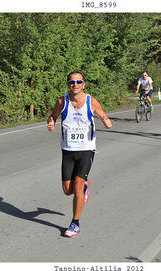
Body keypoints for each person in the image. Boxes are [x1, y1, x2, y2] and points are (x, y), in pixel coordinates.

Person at [47, 71, 112, 237]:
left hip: (86, 149)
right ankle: (84, 188)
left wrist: (106, 121)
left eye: (78, 82)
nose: (75, 84)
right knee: (67, 190)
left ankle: (75, 222)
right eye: (72, 82)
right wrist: (51, 122)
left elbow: (102, 114)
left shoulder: (91, 101)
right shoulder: (62, 101)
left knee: (77, 183)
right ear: (68, 84)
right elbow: (53, 116)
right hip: (68, 150)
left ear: (83, 84)